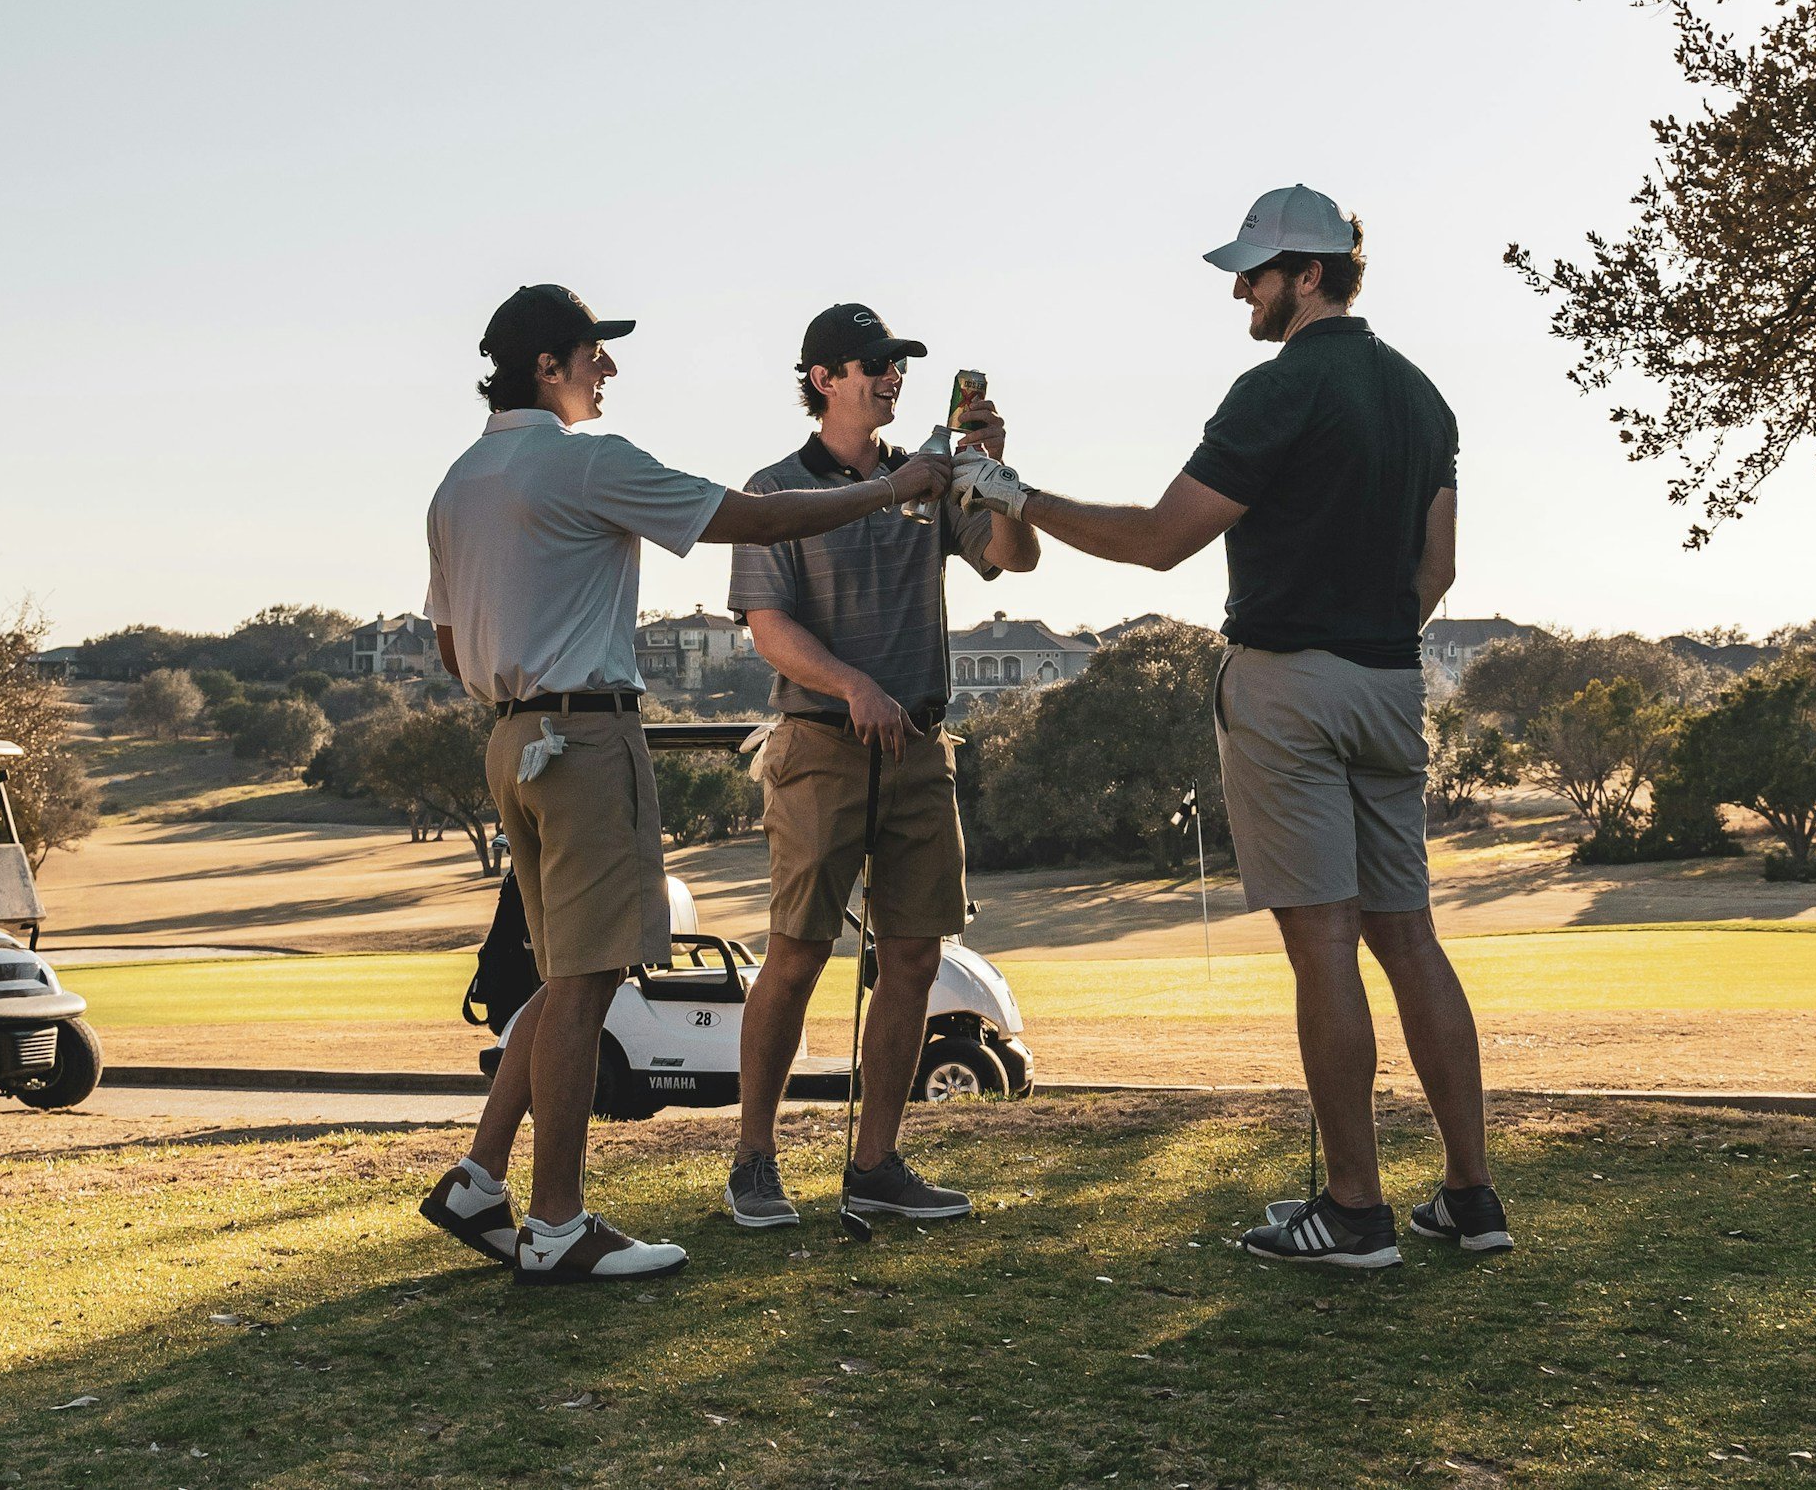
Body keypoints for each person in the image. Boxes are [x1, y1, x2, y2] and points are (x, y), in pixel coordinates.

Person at [954, 187, 1509, 1268]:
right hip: (1393, 684)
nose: (1239, 291)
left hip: (1288, 686)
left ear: (1305, 274)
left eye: (1252, 274)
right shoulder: (1422, 396)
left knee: (1323, 946)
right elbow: (1436, 569)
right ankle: (1470, 1195)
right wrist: (1370, 639)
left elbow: (1162, 538)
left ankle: (1353, 1211)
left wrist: (1013, 492)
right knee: (1409, 938)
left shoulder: (1280, 387)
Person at [416, 283, 952, 1286]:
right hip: (585, 739)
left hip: (508, 738)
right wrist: (891, 488)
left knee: (563, 973)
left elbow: (452, 645)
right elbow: (749, 516)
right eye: (591, 353)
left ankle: (480, 1179)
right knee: (589, 979)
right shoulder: (584, 459)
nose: (606, 369)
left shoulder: (459, 479)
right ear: (546, 364)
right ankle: (559, 1219)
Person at [720, 304, 1036, 1229]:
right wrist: (853, 683)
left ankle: (878, 1164)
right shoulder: (773, 488)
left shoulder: (930, 479)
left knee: (912, 956)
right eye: (875, 364)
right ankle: (753, 1160)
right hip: (820, 746)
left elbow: (1012, 561)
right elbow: (768, 629)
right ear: (823, 378)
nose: (893, 376)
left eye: (899, 364)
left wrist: (998, 479)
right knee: (798, 953)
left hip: (920, 750)